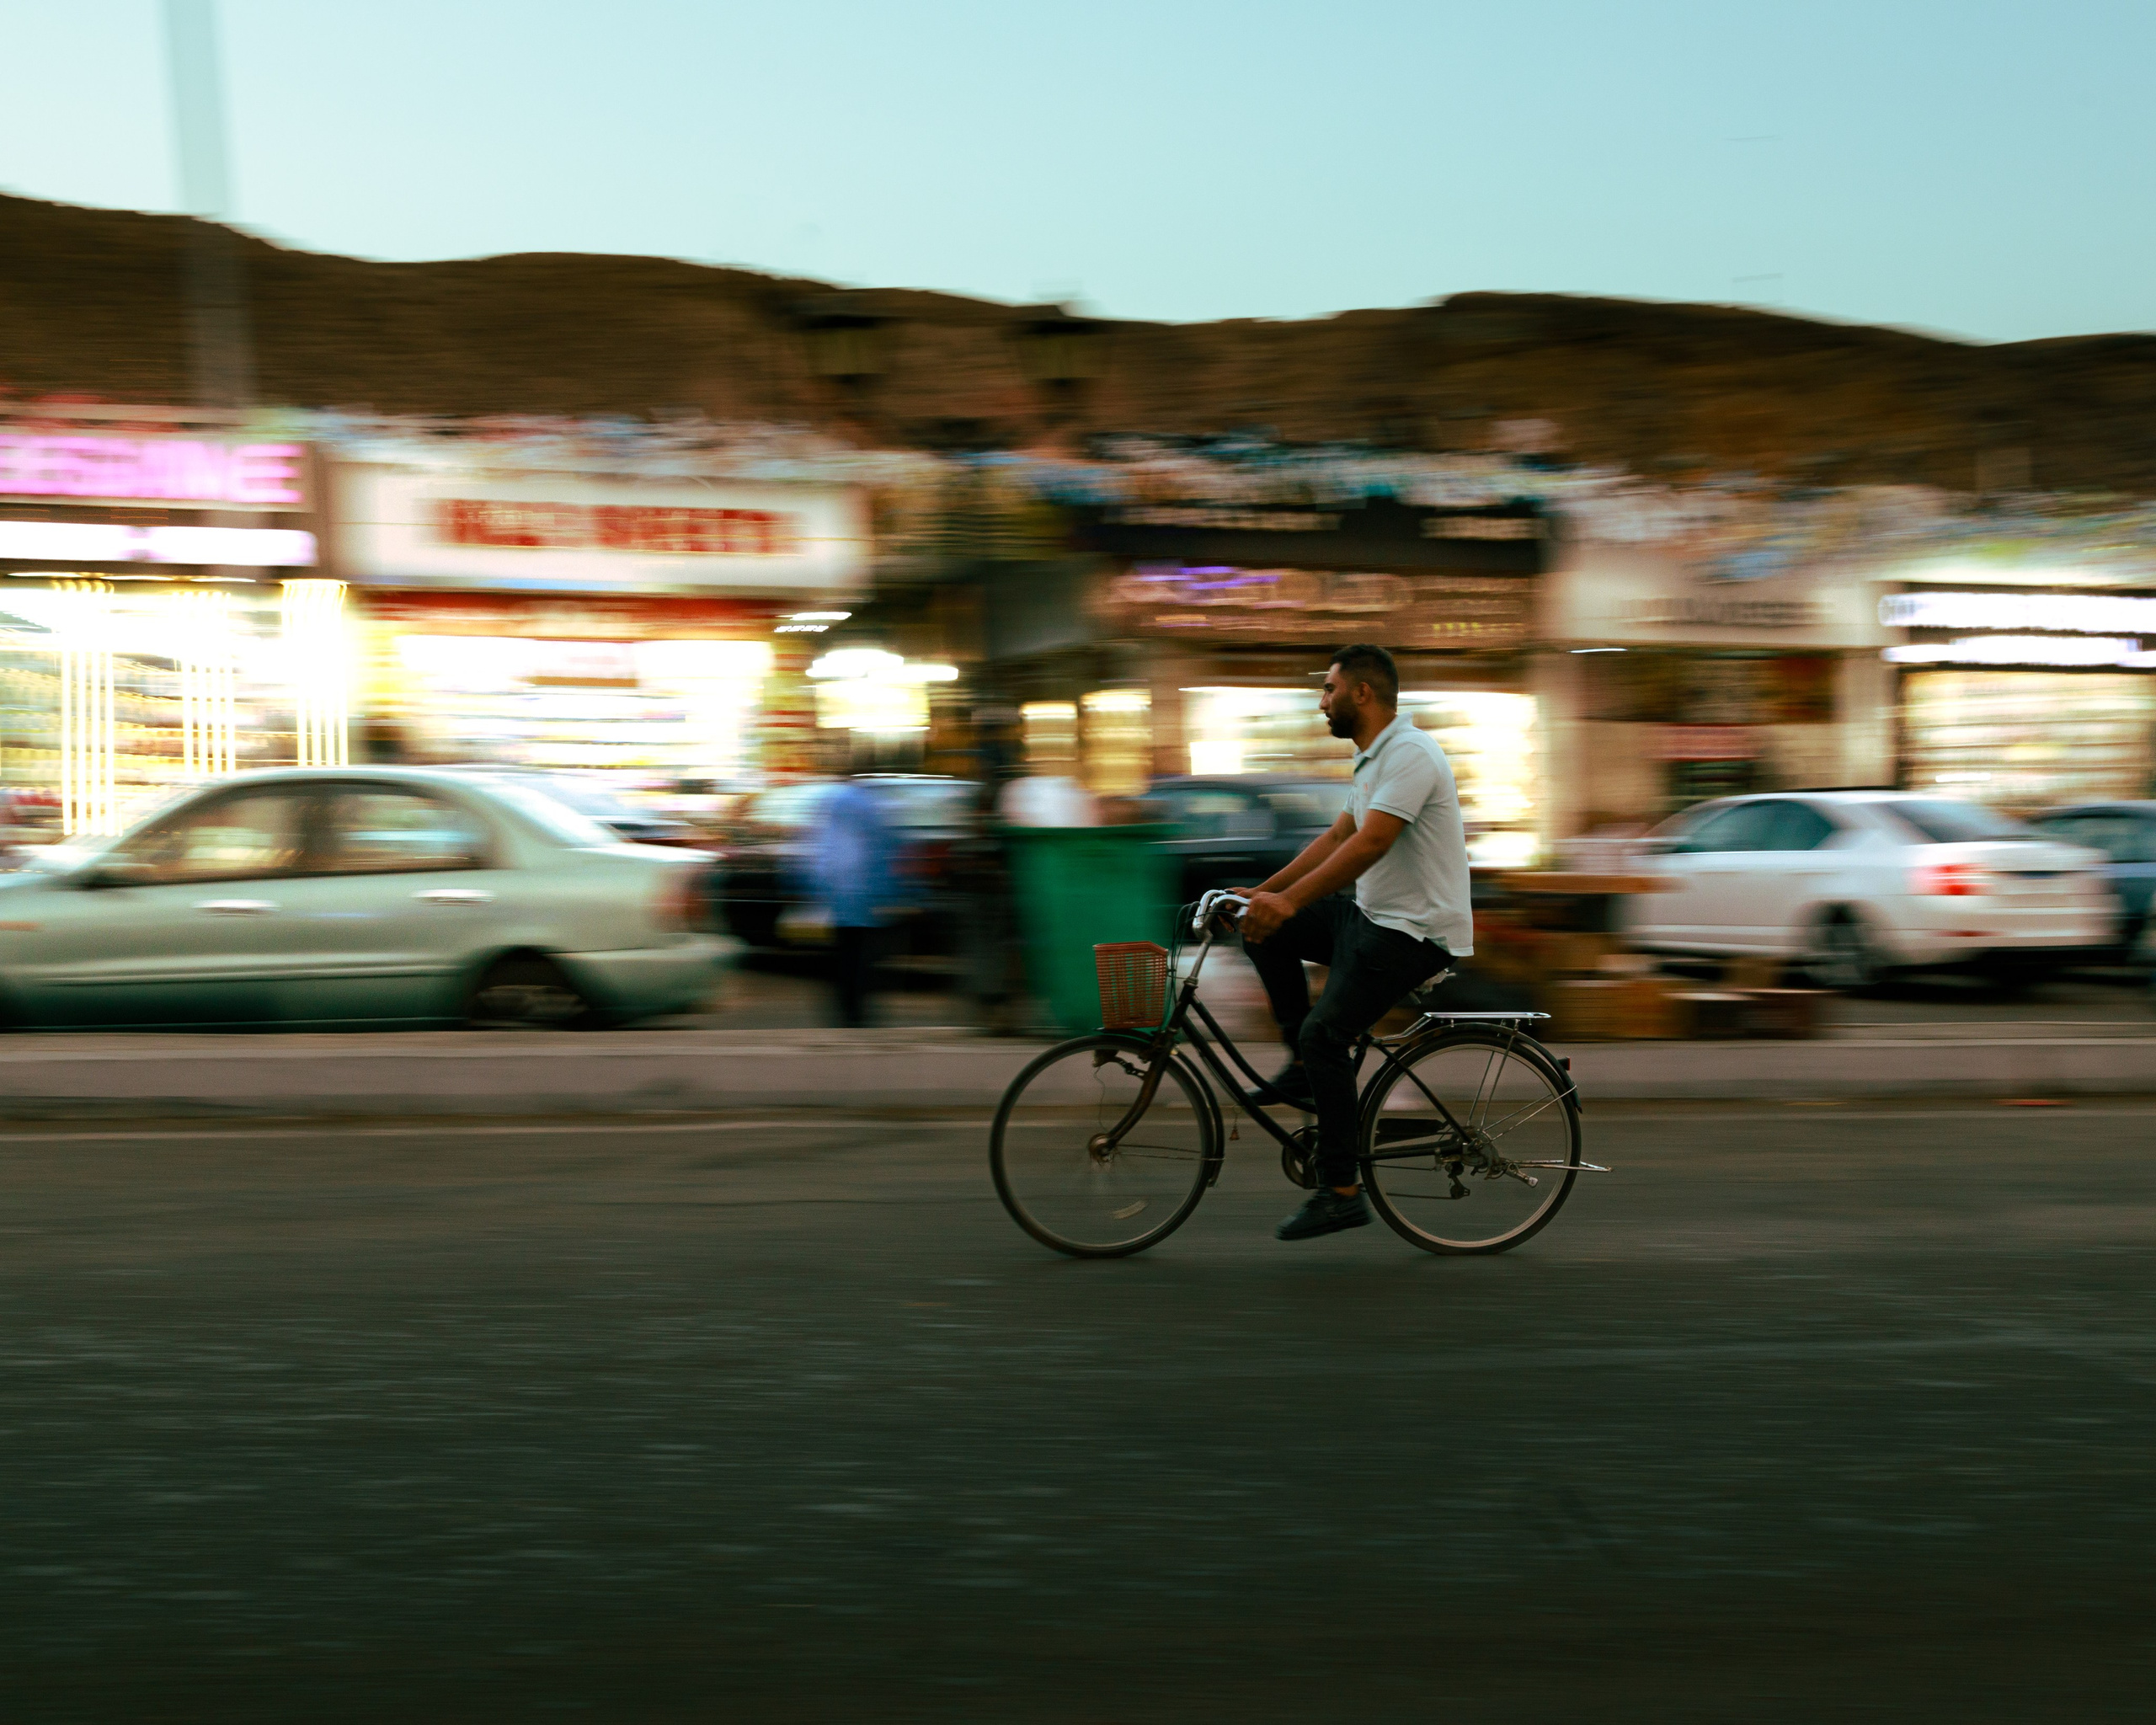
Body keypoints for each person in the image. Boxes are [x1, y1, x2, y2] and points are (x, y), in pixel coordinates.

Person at [1238, 644, 1472, 1242]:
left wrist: (1290, 900)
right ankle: (1302, 1070)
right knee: (1264, 931)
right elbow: (1338, 834)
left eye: (1329, 690)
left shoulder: (1412, 754)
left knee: (1327, 1036)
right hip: (1374, 917)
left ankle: (1341, 1191)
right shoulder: (1374, 759)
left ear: (1362, 693)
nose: (1323, 702)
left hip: (1414, 933)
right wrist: (1263, 896)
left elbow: (1370, 845)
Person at [810, 769, 904, 1028]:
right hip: (864, 894)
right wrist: (889, 890)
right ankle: (858, 1010)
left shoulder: (832, 804)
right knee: (863, 953)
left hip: (840, 893)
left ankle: (847, 1008)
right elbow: (884, 847)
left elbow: (823, 849)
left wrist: (818, 885)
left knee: (844, 951)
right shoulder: (870, 805)